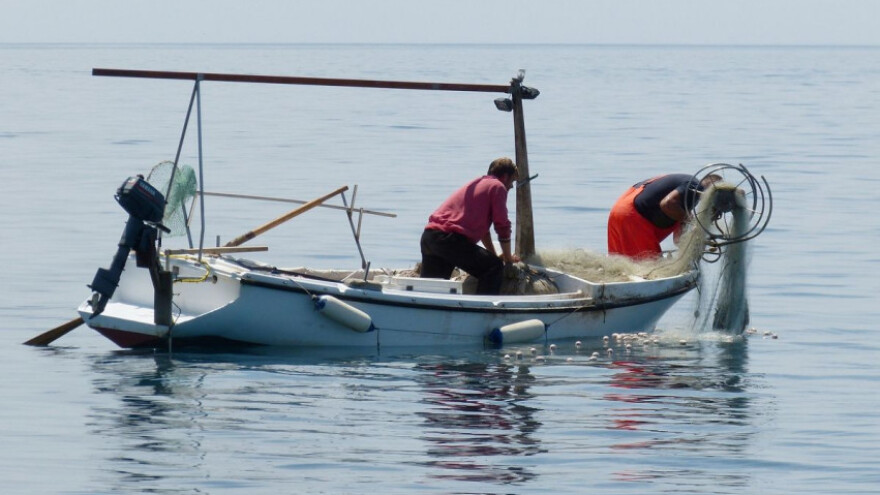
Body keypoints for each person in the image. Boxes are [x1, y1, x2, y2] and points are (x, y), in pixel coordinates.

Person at [420, 157, 522, 295]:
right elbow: (502, 226)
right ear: (505, 177)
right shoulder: (498, 187)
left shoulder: (478, 184)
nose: (511, 186)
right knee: (493, 268)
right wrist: (508, 260)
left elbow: (484, 232)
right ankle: (484, 311)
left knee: (431, 290)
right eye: (512, 181)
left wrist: (494, 254)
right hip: (449, 240)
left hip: (430, 237)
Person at [607, 173, 721, 260]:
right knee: (649, 271)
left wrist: (695, 240)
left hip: (618, 212)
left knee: (621, 265)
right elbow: (667, 204)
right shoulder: (695, 186)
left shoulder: (684, 199)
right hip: (634, 218)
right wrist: (694, 223)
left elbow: (678, 240)